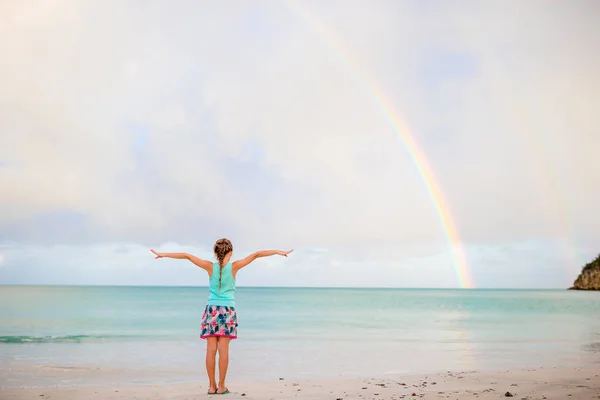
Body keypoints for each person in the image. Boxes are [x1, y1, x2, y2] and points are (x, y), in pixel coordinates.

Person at [150, 238, 293, 395]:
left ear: (215, 253)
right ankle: (221, 386)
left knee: (211, 350)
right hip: (227, 311)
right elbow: (257, 254)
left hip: (211, 310)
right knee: (223, 350)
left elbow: (187, 255)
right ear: (230, 252)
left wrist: (163, 254)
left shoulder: (210, 267)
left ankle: (212, 386)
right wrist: (279, 252)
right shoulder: (234, 267)